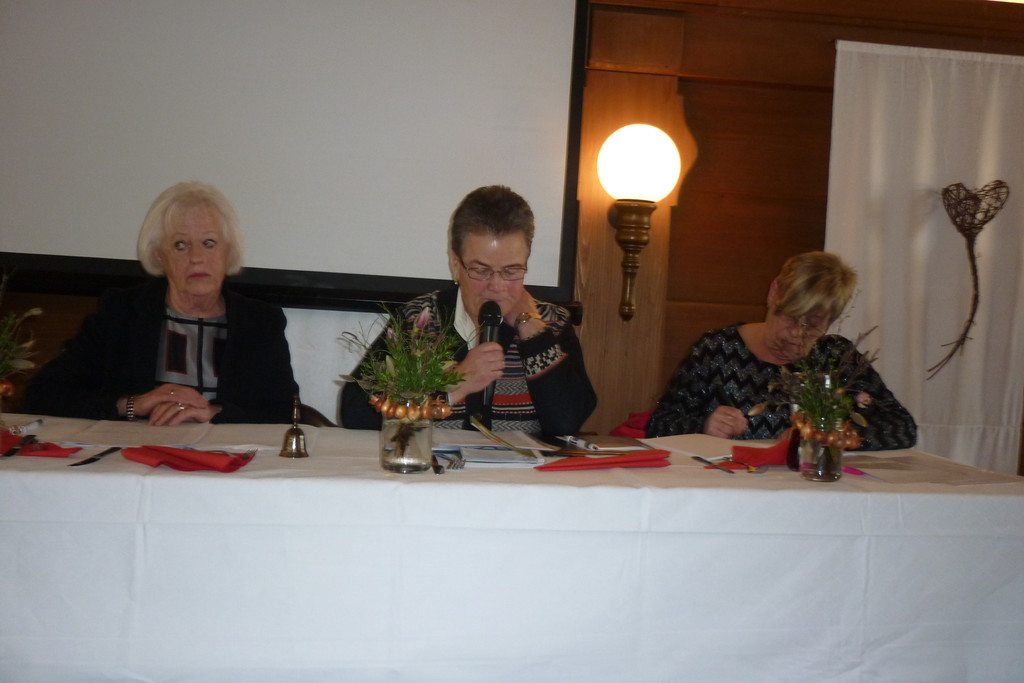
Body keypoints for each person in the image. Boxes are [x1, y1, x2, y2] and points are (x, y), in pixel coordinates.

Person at [25, 181, 298, 424]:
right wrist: (132, 405)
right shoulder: (121, 313)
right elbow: (43, 394)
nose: (196, 257)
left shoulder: (261, 322)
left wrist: (215, 413)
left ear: (228, 251)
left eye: (209, 243)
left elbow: (285, 412)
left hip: (225, 462)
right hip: (135, 459)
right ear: (159, 255)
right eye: (180, 245)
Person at [341, 185, 596, 436]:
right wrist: (453, 385)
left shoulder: (552, 324)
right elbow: (355, 412)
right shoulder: (419, 320)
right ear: (455, 264)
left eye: (512, 271)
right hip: (434, 465)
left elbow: (567, 423)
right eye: (481, 270)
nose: (496, 286)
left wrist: (531, 328)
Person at [646, 251, 916, 450]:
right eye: (791, 317)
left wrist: (830, 434)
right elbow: (658, 426)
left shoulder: (836, 357)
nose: (796, 334)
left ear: (831, 321)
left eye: (812, 325)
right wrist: (703, 426)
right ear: (774, 293)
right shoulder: (716, 350)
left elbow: (902, 427)